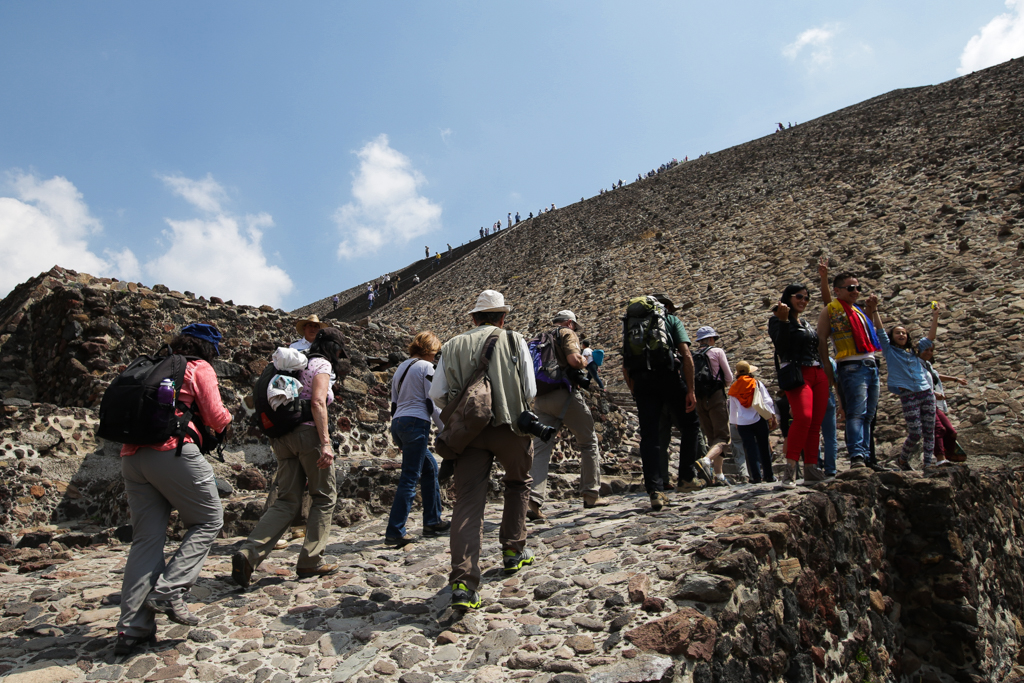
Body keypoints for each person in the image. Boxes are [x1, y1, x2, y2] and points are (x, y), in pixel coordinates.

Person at [116, 324, 232, 654]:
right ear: (209, 348)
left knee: (146, 541)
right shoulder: (199, 367)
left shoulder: (154, 365)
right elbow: (216, 417)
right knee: (209, 519)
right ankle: (171, 588)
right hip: (172, 452)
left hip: (131, 457)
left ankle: (132, 629)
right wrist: (229, 417)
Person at [429, 290, 537, 611]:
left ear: (474, 318)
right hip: (511, 427)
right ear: (502, 317)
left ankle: (463, 581)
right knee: (518, 483)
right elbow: (530, 389)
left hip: (470, 434)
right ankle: (513, 551)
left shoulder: (452, 346)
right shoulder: (515, 340)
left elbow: (437, 395)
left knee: (468, 502)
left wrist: (465, 413)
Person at [232, 328, 348, 588]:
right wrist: (326, 443)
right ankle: (311, 560)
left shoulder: (297, 362)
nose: (340, 355)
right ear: (332, 347)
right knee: (324, 497)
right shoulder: (321, 364)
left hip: (283, 438)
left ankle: (249, 554)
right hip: (308, 436)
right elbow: (318, 402)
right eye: (340, 350)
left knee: (286, 500)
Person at [622, 293, 703, 511]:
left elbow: (625, 364)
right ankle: (686, 477)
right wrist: (690, 390)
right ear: (665, 306)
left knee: (649, 436)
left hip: (641, 382)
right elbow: (686, 355)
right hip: (667, 377)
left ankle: (655, 491)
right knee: (691, 424)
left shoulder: (631, 323)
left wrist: (635, 391)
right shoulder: (670, 320)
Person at [527, 311, 607, 521]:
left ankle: (533, 501)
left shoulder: (540, 337)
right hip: (564, 394)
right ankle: (591, 494)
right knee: (588, 441)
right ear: (570, 322)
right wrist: (584, 363)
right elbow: (573, 359)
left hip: (541, 397)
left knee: (541, 447)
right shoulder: (566, 333)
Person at [386, 332, 449, 546]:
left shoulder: (401, 368)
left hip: (399, 423)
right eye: (435, 352)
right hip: (416, 423)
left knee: (430, 468)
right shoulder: (426, 367)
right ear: (430, 351)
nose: (435, 357)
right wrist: (444, 428)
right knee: (410, 477)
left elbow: (394, 402)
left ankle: (433, 520)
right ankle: (395, 530)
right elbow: (432, 401)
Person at [817, 272, 881, 470]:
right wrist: (827, 367)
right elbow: (821, 339)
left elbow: (870, 331)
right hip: (851, 364)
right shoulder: (833, 310)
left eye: (858, 288)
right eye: (851, 288)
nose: (856, 291)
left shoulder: (859, 311)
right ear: (838, 290)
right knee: (856, 412)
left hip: (869, 362)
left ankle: (868, 455)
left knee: (869, 414)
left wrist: (872, 309)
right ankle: (857, 455)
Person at [770, 284, 828, 486]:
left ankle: (811, 467)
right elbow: (781, 346)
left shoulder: (805, 322)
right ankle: (790, 469)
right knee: (803, 417)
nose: (803, 301)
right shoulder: (777, 320)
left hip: (817, 373)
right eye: (799, 297)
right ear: (788, 297)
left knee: (815, 424)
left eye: (807, 298)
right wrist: (784, 321)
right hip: (797, 373)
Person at [870, 303, 939, 470]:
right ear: (892, 336)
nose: (901, 334)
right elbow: (880, 330)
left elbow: (930, 338)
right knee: (915, 432)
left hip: (925, 392)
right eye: (897, 332)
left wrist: (935, 316)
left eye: (903, 332)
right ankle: (903, 460)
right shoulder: (890, 351)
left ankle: (928, 465)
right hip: (908, 394)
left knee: (929, 431)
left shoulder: (914, 352)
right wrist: (874, 310)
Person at [692, 326, 734, 487]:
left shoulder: (693, 355)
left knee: (712, 438)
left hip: (700, 399)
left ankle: (719, 475)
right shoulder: (717, 352)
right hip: (715, 395)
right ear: (711, 339)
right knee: (723, 437)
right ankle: (706, 460)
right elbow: (728, 377)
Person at [919, 335, 968, 464]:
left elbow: (936, 376)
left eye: (931, 350)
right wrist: (934, 393)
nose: (929, 353)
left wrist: (955, 379)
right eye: (926, 350)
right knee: (939, 429)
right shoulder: (915, 366)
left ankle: (950, 456)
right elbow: (918, 383)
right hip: (923, 401)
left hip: (933, 402)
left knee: (951, 432)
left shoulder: (927, 364)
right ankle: (940, 458)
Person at [728, 361, 777, 484]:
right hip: (759, 419)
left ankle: (755, 476)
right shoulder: (757, 384)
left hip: (743, 423)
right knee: (764, 447)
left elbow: (733, 409)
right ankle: (769, 475)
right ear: (750, 372)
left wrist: (734, 423)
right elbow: (767, 401)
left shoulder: (734, 388)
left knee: (750, 450)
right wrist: (771, 416)